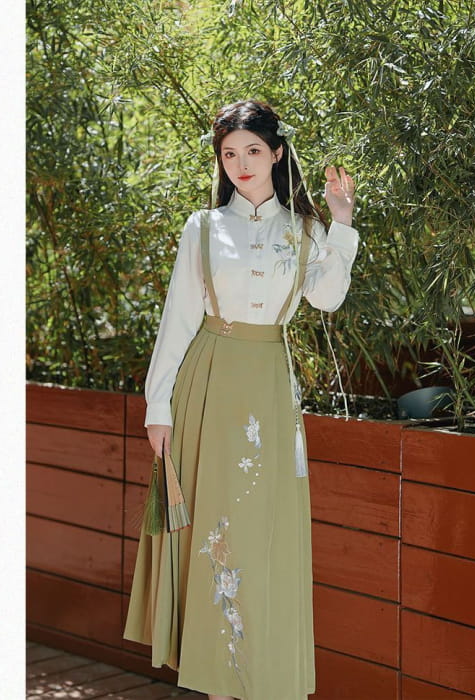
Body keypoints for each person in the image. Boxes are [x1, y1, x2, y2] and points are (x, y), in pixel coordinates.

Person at [123, 99, 359, 700]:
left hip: (269, 389)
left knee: (261, 532)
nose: (241, 163)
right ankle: (217, 683)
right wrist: (158, 407)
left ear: (277, 153)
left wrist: (341, 223)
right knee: (211, 527)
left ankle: (256, 678)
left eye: (253, 150)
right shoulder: (203, 228)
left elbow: (327, 298)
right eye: (229, 154)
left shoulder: (304, 230)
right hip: (207, 384)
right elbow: (178, 319)